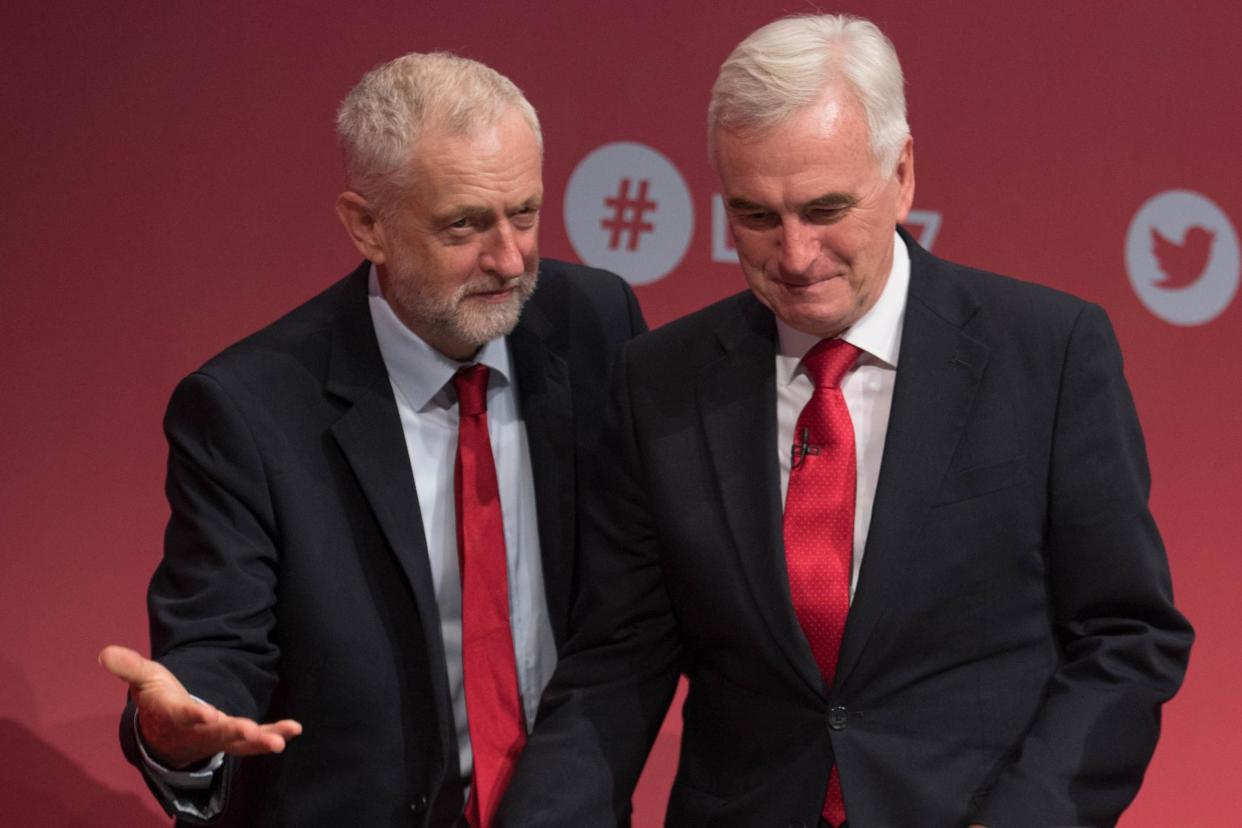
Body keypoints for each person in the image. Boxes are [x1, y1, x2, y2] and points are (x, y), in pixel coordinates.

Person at [499, 14, 1193, 828]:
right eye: (756, 216)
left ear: (901, 174)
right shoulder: (662, 382)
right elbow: (619, 661)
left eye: (826, 208)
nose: (795, 256)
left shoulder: (1047, 353)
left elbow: (1125, 636)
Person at [98, 51, 645, 827]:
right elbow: (216, 645)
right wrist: (179, 730)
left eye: (524, 213)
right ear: (367, 226)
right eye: (464, 224)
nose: (510, 258)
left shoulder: (596, 324)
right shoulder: (250, 410)